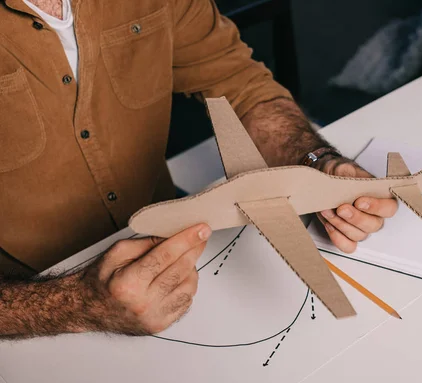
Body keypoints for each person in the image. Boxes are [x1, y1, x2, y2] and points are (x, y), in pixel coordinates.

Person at [0, 0, 398, 338]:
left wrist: (316, 161)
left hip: (172, 247)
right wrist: (75, 304)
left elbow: (237, 82)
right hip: (29, 294)